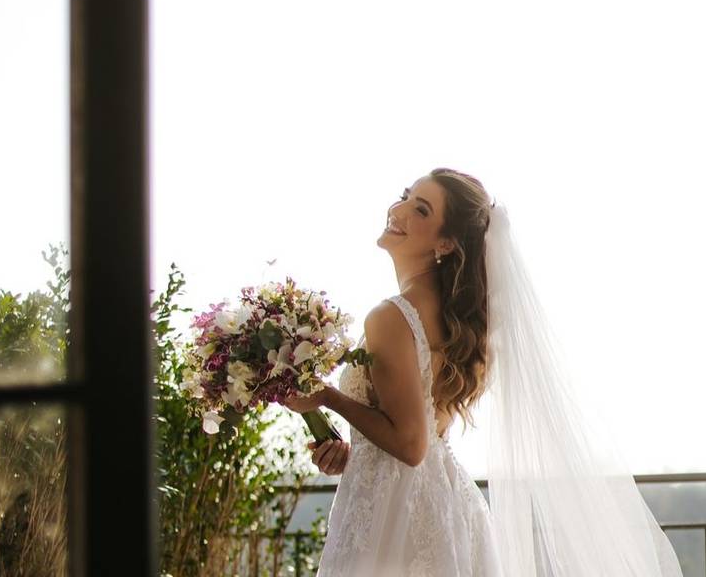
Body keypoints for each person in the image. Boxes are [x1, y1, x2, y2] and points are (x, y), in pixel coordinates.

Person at [285, 167, 684, 576]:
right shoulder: (450, 319)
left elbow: (410, 445)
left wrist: (327, 398)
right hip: (440, 507)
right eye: (405, 195)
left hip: (398, 522)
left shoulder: (391, 316)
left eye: (420, 209)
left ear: (445, 242)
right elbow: (416, 433)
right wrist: (352, 453)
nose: (399, 209)